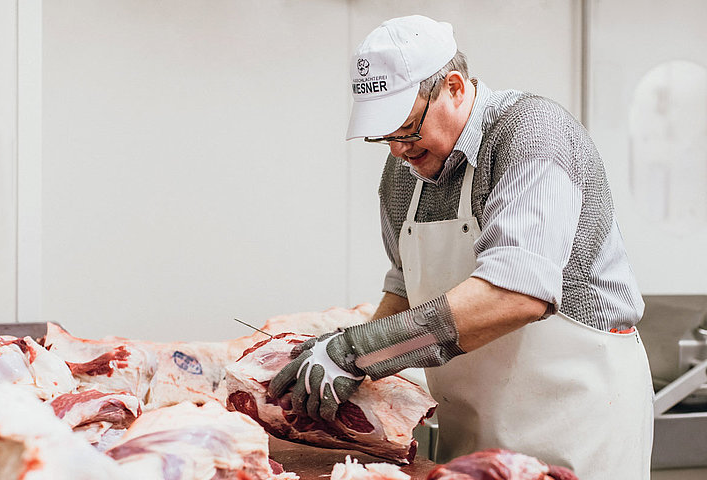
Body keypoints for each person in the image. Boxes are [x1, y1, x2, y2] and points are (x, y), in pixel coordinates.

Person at [269, 15, 654, 479]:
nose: (397, 150)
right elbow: (405, 289)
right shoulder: (403, 173)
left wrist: (356, 350)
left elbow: (515, 296)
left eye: (407, 128)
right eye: (384, 135)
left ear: (453, 87)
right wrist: (352, 374)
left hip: (575, 416)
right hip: (471, 423)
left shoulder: (531, 135)